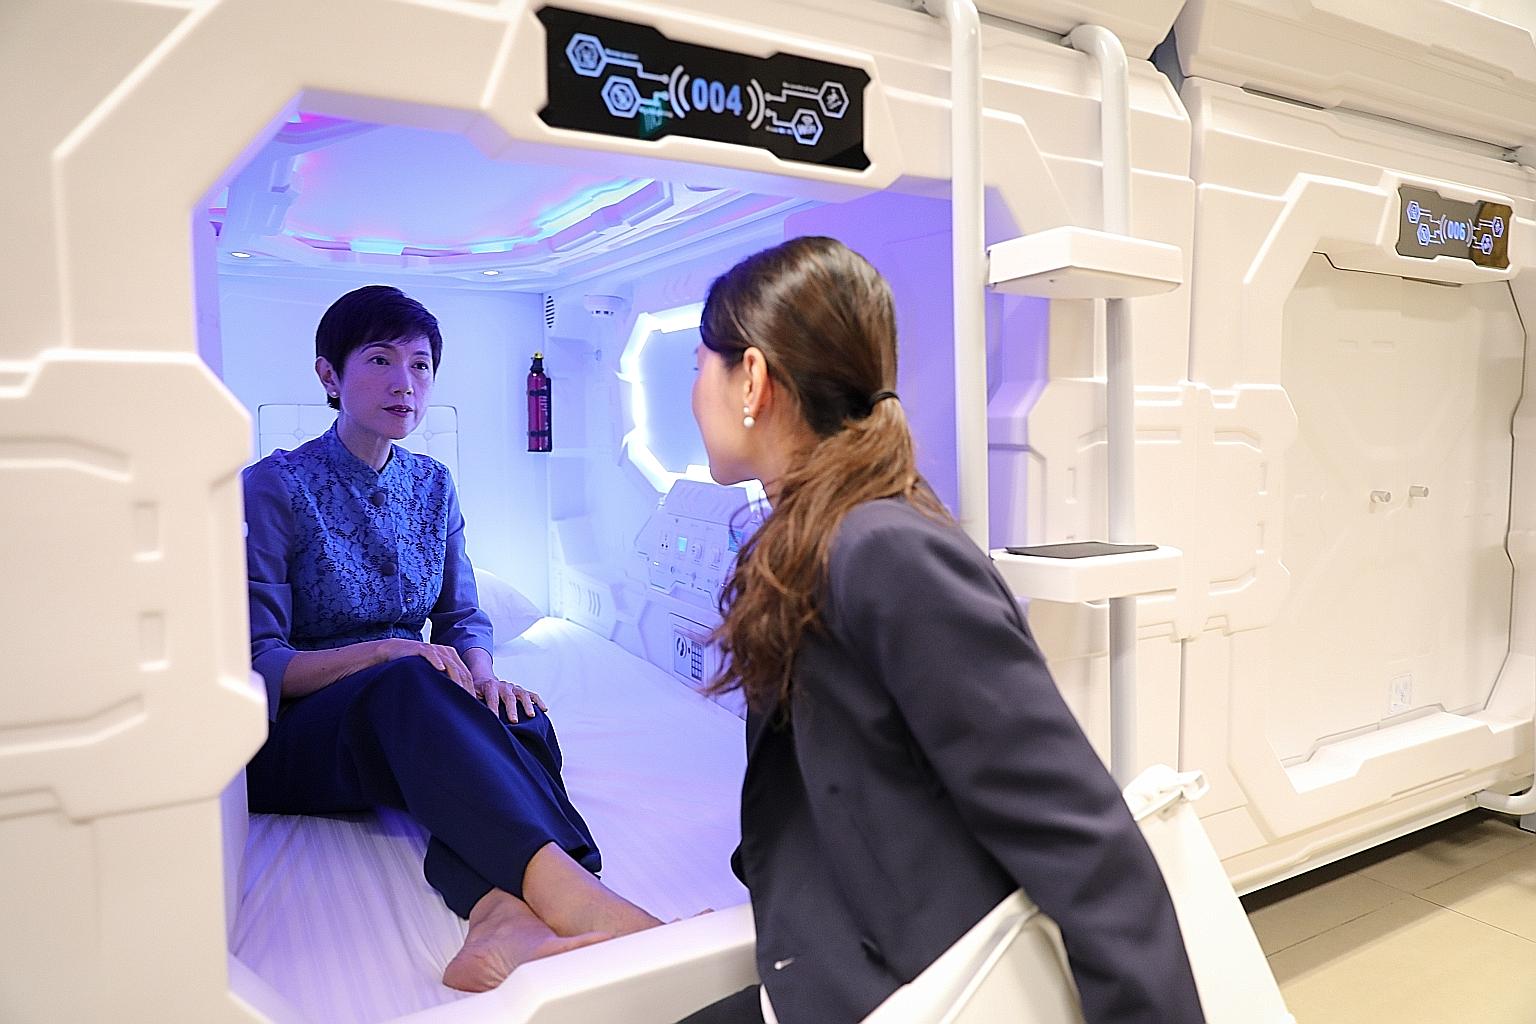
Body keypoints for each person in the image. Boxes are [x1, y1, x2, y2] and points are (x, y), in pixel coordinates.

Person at [678, 238, 1205, 1023]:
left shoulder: (881, 549)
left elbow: (1082, 839)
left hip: (915, 994)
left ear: (751, 377)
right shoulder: (817, 540)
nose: (694, 393)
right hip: (827, 968)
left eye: (699, 365)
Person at [241, 284, 659, 993]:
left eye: (421, 365)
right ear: (328, 375)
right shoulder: (276, 486)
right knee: (409, 683)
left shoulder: (433, 485)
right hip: (303, 737)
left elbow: (462, 618)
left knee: (525, 722)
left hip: (412, 708)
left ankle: (499, 913)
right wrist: (390, 651)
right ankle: (579, 898)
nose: (404, 383)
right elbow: (262, 662)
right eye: (378, 359)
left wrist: (483, 674)